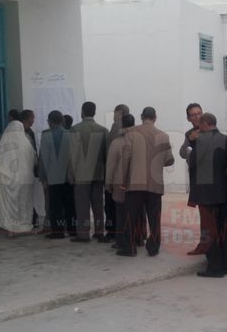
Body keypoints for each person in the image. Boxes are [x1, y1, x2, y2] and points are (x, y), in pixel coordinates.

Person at [118, 107, 175, 257]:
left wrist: (123, 179)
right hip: (155, 184)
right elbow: (169, 160)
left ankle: (129, 248)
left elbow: (125, 158)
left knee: (130, 217)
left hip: (135, 183)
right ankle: (153, 247)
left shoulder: (131, 133)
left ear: (142, 117)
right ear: (155, 118)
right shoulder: (163, 136)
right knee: (154, 218)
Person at [190, 113, 227, 278]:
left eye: (200, 124)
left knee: (209, 231)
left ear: (205, 124)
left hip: (206, 194)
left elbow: (193, 164)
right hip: (223, 193)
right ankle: (224, 265)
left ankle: (214, 268)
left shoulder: (200, 141)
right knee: (223, 230)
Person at [0, 119, 36, 236]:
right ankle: (25, 227)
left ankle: (11, 229)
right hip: (25, 179)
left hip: (9, 180)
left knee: (10, 205)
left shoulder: (5, 143)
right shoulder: (26, 143)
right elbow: (34, 160)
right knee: (24, 204)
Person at [69, 101, 107, 242]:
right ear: (94, 112)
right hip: (98, 173)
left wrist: (71, 174)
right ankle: (99, 231)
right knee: (98, 204)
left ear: (82, 111)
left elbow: (72, 155)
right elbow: (106, 154)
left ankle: (83, 234)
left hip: (81, 174)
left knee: (82, 206)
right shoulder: (103, 130)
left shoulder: (75, 129)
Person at [180, 103, 209, 256]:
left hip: (211, 180)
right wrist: (190, 141)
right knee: (204, 215)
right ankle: (204, 245)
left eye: (199, 113)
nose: (197, 117)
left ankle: (208, 246)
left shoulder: (210, 130)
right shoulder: (189, 134)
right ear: (188, 118)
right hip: (197, 180)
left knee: (210, 216)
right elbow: (182, 153)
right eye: (193, 115)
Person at [39, 110, 73, 239]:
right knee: (69, 204)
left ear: (50, 121)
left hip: (53, 177)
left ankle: (58, 232)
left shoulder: (46, 136)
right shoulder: (70, 135)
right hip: (68, 177)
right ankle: (72, 230)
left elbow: (44, 159)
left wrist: (43, 178)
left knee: (55, 206)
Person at [106, 113, 136, 249]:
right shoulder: (140, 141)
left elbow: (111, 165)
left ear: (122, 124)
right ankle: (138, 238)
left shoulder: (117, 142)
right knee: (137, 211)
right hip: (138, 181)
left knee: (121, 212)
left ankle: (121, 241)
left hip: (120, 182)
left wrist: (108, 183)